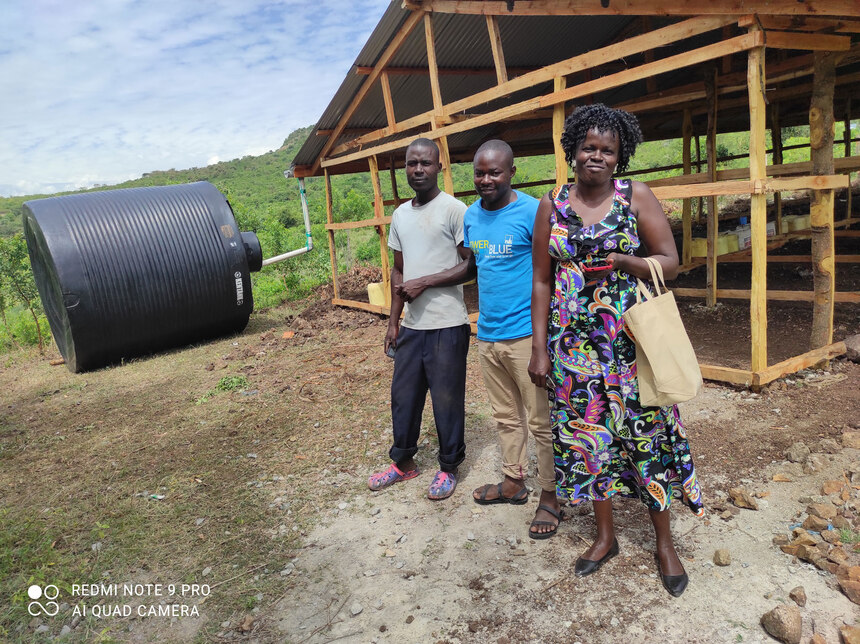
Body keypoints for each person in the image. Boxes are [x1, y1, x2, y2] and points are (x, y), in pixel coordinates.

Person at [528, 104, 704, 595]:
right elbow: (542, 280)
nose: (597, 156)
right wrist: (540, 348)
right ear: (573, 151)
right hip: (571, 348)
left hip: (630, 345)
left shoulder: (636, 196)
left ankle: (664, 543)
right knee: (592, 441)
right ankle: (605, 537)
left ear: (620, 155)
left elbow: (670, 262)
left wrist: (629, 260)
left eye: (608, 149)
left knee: (647, 438)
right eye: (588, 147)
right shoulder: (551, 204)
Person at [461, 140, 561, 539]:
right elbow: (472, 266)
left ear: (511, 172)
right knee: (504, 417)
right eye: (480, 173)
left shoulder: (534, 210)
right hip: (487, 335)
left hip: (525, 336)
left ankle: (551, 495)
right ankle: (514, 481)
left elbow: (547, 275)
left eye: (494, 172)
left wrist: (542, 344)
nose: (486, 180)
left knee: (540, 422)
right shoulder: (470, 216)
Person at [368, 137, 472, 501]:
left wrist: (426, 282)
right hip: (412, 325)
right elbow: (398, 272)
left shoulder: (455, 210)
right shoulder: (400, 215)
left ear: (439, 167)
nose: (418, 170)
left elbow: (469, 265)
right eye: (412, 164)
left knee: (446, 398)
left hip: (447, 323)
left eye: (426, 163)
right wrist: (393, 321)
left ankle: (448, 466)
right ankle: (403, 463)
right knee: (404, 396)